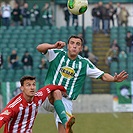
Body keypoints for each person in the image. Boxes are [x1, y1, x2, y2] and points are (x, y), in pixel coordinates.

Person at [37, 35, 128, 133]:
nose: (74, 46)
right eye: (72, 43)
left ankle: (66, 124)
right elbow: (39, 48)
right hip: (49, 96)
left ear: (81, 49)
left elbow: (103, 75)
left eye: (78, 44)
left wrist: (114, 79)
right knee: (57, 91)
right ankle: (65, 121)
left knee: (64, 131)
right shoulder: (57, 54)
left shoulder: (84, 64)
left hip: (66, 101)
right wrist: (53, 45)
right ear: (68, 46)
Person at [0, 75, 73, 133]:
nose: (32, 88)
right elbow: (2, 119)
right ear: (22, 88)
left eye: (33, 85)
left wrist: (63, 89)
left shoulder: (38, 97)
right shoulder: (15, 105)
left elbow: (50, 87)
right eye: (28, 85)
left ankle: (65, 123)